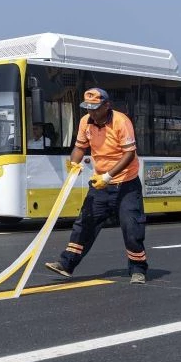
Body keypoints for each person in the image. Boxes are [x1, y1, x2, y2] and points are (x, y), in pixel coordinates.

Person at [44, 88, 148, 284]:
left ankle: (138, 269)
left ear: (107, 105)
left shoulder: (121, 121)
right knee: (85, 222)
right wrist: (73, 163)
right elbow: (80, 147)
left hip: (126, 184)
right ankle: (66, 264)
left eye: (95, 108)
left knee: (131, 226)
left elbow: (129, 154)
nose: (91, 112)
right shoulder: (86, 121)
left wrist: (108, 176)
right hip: (100, 183)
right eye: (88, 108)